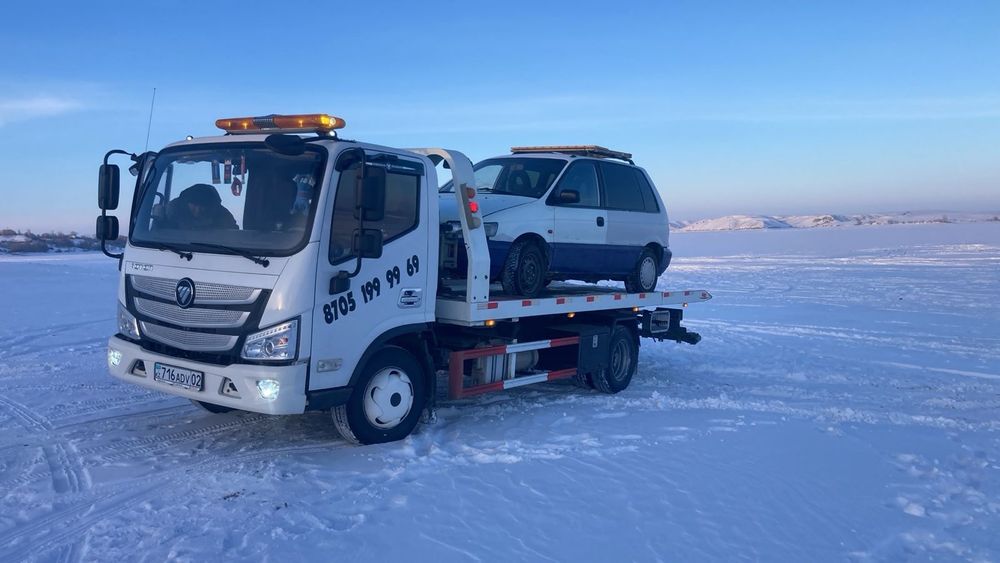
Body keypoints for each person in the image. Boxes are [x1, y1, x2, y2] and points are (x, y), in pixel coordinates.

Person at [166, 184, 238, 230]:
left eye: (203, 206)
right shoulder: (172, 211)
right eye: (194, 205)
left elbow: (234, 237)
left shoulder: (223, 216)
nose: (198, 210)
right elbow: (159, 234)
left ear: (211, 206)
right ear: (186, 202)